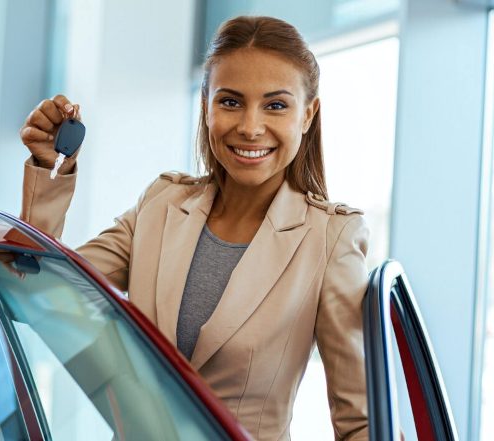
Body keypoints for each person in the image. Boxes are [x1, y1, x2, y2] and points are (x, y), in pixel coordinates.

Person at [19, 15, 369, 441]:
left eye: (275, 105)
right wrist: (48, 165)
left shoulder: (331, 240)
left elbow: (360, 424)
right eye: (230, 101)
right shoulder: (162, 206)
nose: (250, 127)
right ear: (205, 106)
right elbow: (34, 284)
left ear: (308, 114)